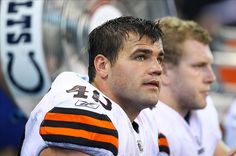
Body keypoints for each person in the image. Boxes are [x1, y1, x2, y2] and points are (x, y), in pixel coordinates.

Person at [19, 16, 165, 156]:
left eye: (159, 59)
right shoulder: (81, 111)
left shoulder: (147, 120)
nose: (157, 68)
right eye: (141, 57)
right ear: (102, 66)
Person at [152, 16, 236, 156]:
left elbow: (213, 148)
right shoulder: (147, 126)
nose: (211, 77)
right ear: (164, 71)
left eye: (209, 65)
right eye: (199, 66)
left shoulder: (202, 103)